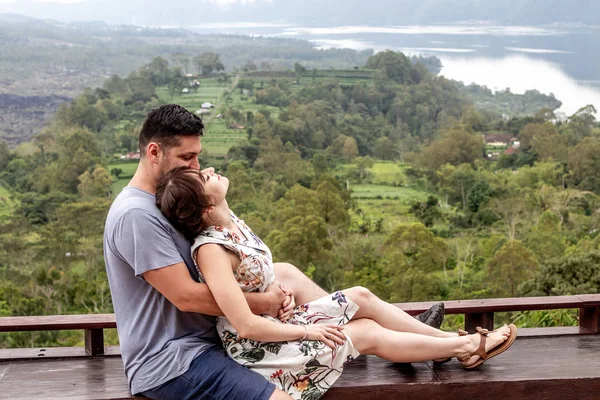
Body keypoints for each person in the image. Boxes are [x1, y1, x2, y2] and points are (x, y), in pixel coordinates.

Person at [103, 104, 445, 400]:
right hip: (175, 359)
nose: (195, 167)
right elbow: (188, 297)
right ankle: (370, 336)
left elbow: (224, 243)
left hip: (211, 338)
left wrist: (271, 289)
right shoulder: (137, 215)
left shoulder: (167, 198)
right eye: (186, 158)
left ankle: (397, 336)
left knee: (285, 272)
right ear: (153, 152)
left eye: (197, 157)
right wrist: (265, 302)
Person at [155, 165, 518, 400]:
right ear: (204, 207)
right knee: (363, 332)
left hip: (278, 324)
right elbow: (246, 326)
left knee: (360, 296)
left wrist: (276, 293)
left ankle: (460, 343)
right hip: (263, 349)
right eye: (204, 177)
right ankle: (465, 346)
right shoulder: (211, 250)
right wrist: (308, 333)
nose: (212, 170)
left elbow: (254, 279)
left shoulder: (228, 218)